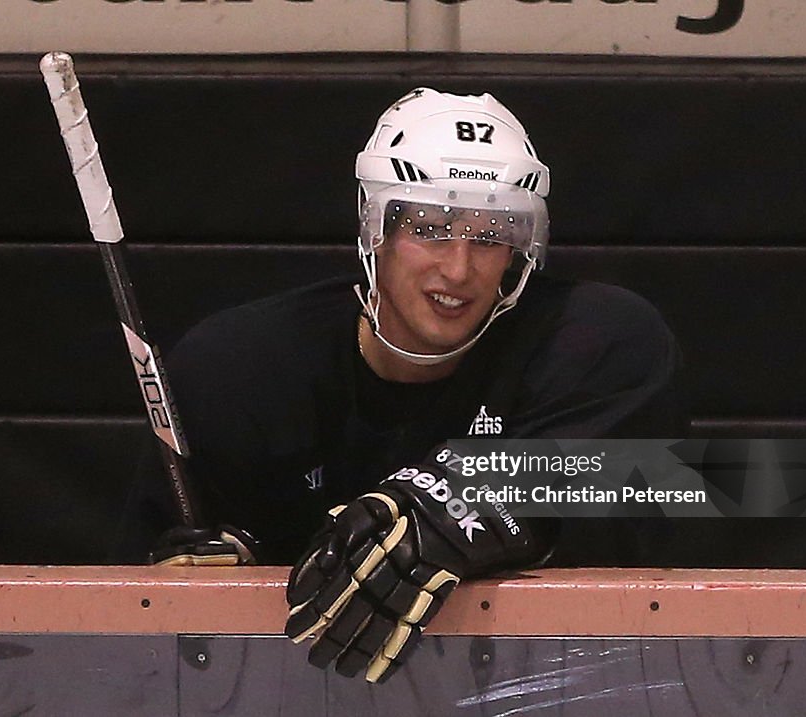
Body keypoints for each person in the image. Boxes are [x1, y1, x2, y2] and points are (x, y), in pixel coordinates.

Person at [112, 87, 684, 683]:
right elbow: (127, 627)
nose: (458, 268)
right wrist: (195, 588)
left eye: (491, 234)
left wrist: (454, 507)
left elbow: (695, 481)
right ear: (373, 227)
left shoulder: (598, 339)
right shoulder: (239, 368)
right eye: (429, 226)